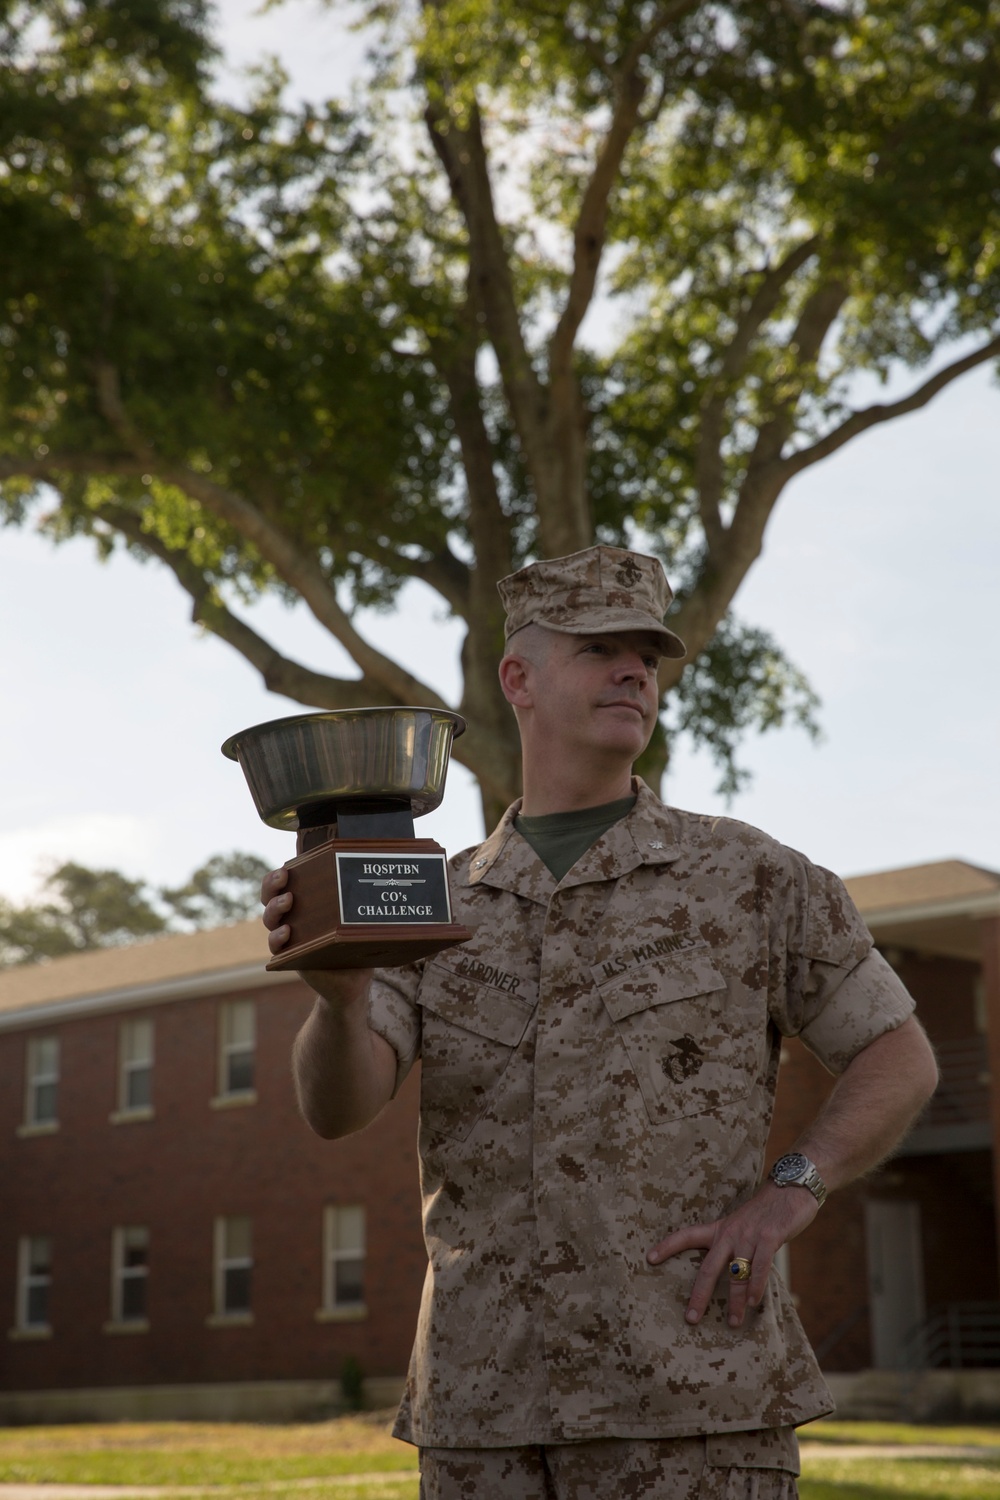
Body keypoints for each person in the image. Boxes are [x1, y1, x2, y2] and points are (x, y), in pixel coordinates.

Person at [262, 545, 938, 1500]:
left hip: (694, 1411)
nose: (634, 671)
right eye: (599, 648)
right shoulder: (430, 900)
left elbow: (898, 1053)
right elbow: (338, 1104)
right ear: (518, 679)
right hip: (485, 1421)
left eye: (648, 657)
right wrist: (334, 998)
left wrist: (791, 1190)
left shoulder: (750, 879)